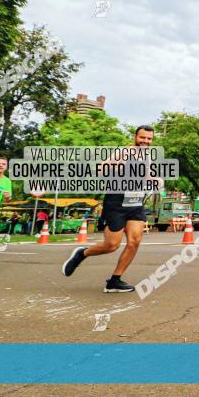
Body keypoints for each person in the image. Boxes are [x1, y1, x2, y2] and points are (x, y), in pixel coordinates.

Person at [62, 125, 155, 292]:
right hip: (116, 202)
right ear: (135, 137)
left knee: (135, 242)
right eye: (142, 138)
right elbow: (100, 170)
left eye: (149, 139)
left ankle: (115, 280)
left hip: (135, 202)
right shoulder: (123, 153)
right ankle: (82, 254)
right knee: (111, 245)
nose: (145, 141)